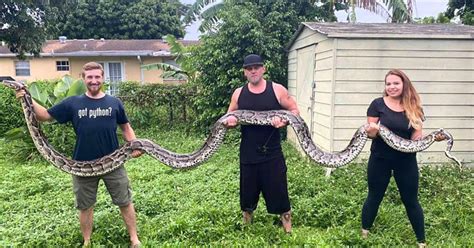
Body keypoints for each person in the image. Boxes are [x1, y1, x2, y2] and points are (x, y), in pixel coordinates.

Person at [16, 62, 142, 247]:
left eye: (97, 77)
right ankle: (87, 241)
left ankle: (134, 238)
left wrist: (135, 145)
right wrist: (26, 97)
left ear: (102, 78)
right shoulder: (73, 103)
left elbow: (126, 127)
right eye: (89, 77)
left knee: (125, 201)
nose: (93, 80)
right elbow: (43, 116)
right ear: (83, 79)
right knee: (85, 206)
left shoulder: (114, 103)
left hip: (113, 163)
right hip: (81, 165)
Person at [362, 69, 445, 247]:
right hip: (380, 159)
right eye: (388, 83)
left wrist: (432, 139)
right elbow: (369, 134)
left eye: (396, 83)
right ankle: (364, 235)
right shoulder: (377, 105)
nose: (391, 87)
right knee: (374, 196)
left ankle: (421, 242)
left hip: (406, 161)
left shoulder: (414, 107)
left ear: (404, 84)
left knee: (411, 200)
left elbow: (416, 138)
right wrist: (372, 132)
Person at [223, 54, 300, 233]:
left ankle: (288, 230)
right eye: (249, 68)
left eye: (256, 67)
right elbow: (228, 117)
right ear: (245, 72)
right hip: (248, 153)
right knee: (247, 193)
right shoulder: (238, 93)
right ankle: (246, 227)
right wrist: (231, 121)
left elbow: (294, 110)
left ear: (263, 69)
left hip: (272, 153)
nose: (253, 70)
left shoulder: (277, 90)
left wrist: (285, 121)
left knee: (279, 190)